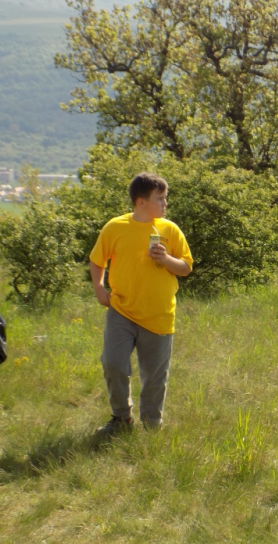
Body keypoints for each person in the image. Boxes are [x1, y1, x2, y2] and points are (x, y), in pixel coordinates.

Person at [89, 173, 193, 435]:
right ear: (141, 202)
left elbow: (186, 267)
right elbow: (97, 259)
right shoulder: (115, 227)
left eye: (165, 198)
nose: (165, 204)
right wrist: (99, 288)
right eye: (160, 199)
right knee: (112, 363)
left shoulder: (170, 230)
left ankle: (151, 428)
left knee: (155, 378)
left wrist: (167, 259)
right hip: (121, 311)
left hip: (159, 315)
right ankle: (121, 419)